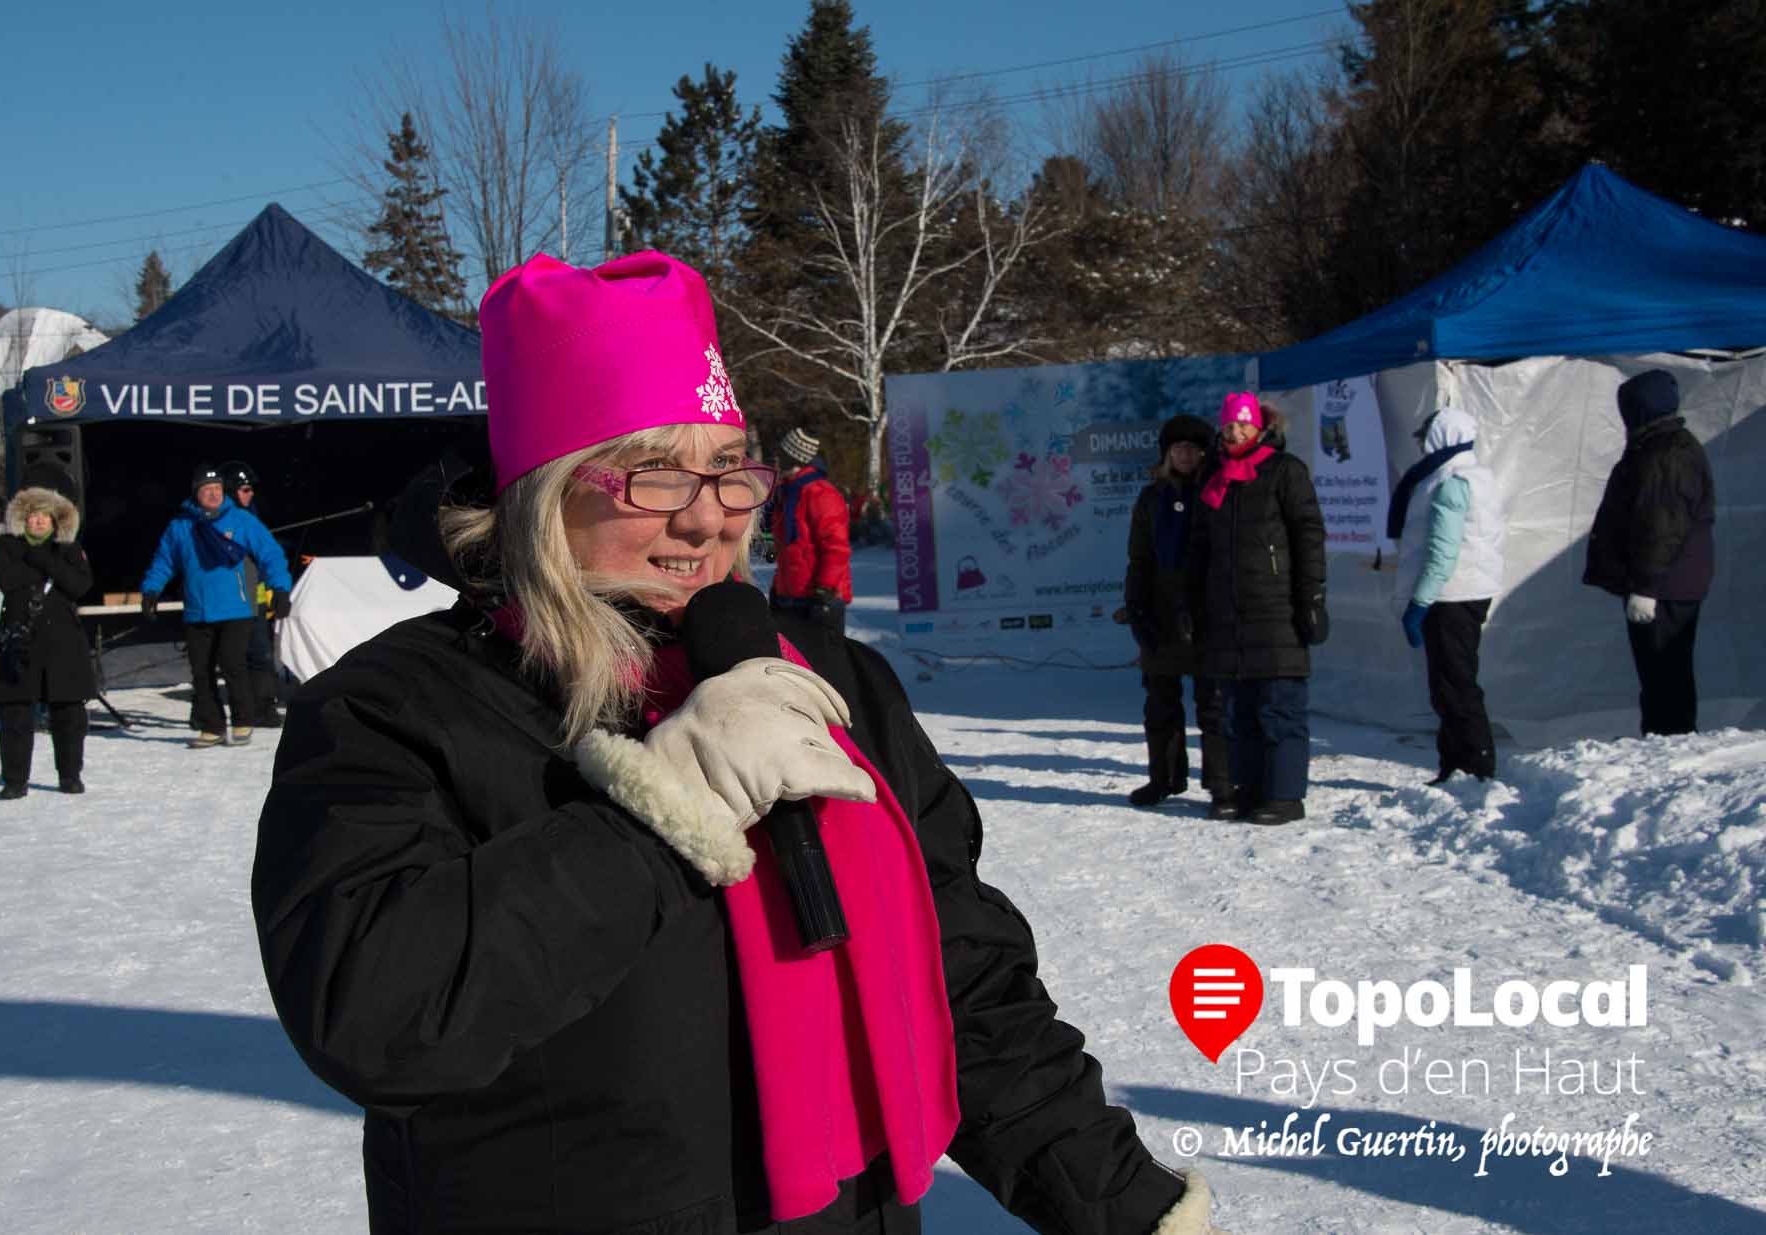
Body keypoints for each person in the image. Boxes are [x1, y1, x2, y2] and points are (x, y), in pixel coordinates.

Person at [252, 251, 1224, 1235]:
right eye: (652, 473)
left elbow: (962, 979)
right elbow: (375, 1012)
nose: (705, 513)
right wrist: (668, 805)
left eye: (725, 468)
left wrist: (1125, 1205)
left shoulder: (829, 676)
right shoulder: (399, 707)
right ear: (544, 494)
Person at [1189, 392, 1327, 826]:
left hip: (1276, 611)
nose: (1235, 434)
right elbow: (1199, 552)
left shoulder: (1285, 471)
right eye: (1229, 427)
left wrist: (1312, 599)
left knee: (1279, 708)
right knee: (1238, 712)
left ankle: (1285, 795)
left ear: (1260, 426)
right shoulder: (1212, 477)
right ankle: (1248, 790)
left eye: (1243, 426)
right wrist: (1194, 608)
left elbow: (1308, 537)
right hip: (1227, 617)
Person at [1582, 368, 1716, 736]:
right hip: (1674, 580)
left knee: (1664, 670)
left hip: (1666, 584)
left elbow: (1661, 528)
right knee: (1664, 671)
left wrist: (1646, 587)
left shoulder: (1665, 454)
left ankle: (1669, 739)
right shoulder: (1666, 445)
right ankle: (1665, 735)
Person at [140, 464, 291, 749]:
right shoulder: (181, 526)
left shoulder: (242, 521)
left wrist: (280, 588)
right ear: (196, 493)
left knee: (233, 664)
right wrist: (151, 591)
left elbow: (270, 553)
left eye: (218, 490)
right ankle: (212, 726)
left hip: (237, 608)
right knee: (201, 670)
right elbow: (164, 561)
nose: (213, 495)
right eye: (207, 490)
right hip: (198, 609)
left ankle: (243, 719)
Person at [1391, 407, 1504, 783]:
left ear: (1441, 436)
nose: (1421, 444)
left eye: (1425, 436)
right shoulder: (1457, 474)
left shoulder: (1453, 480)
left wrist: (1419, 604)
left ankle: (1477, 765)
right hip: (1456, 591)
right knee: (1446, 685)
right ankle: (1454, 763)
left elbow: (1443, 550)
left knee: (1456, 685)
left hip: (1453, 595)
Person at [1123, 414, 1229, 809]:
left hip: (1208, 611)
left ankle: (1222, 783)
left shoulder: (1218, 494)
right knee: (1160, 703)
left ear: (1204, 453)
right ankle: (1163, 778)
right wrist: (1136, 607)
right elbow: (1139, 558)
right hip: (1160, 611)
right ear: (1167, 454)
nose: (1185, 454)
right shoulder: (1152, 499)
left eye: (1193, 447)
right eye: (1177, 448)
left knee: (1214, 704)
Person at [0, 487, 94, 799]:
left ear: (55, 520)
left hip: (63, 644)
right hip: (20, 639)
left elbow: (79, 585)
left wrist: (46, 562)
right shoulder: (6, 545)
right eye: (32, 516)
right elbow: (4, 578)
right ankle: (15, 780)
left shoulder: (70, 549)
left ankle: (70, 775)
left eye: (45, 517)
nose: (38, 523)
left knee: (69, 715)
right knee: (15, 715)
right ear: (22, 519)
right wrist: (41, 564)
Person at [219, 459, 286, 728]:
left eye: (251, 490)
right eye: (245, 489)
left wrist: (278, 589)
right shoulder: (215, 518)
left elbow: (269, 555)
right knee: (231, 659)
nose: (250, 494)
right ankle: (236, 708)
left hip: (253, 600)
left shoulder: (252, 517)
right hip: (226, 602)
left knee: (261, 655)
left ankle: (263, 706)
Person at [769, 426, 853, 632]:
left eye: (781, 455)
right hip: (789, 598)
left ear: (793, 458)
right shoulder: (787, 494)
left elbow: (836, 548)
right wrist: (778, 586)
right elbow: (790, 549)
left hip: (818, 599)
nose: (776, 461)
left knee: (823, 663)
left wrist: (825, 590)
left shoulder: (821, 494)